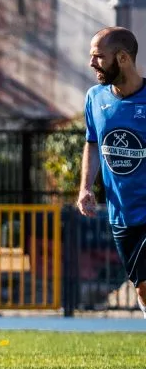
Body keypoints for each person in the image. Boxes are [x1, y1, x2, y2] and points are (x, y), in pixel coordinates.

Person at [78, 26, 146, 319]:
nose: (92, 63)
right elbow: (92, 144)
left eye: (98, 57)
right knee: (143, 288)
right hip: (122, 214)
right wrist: (85, 187)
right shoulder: (95, 98)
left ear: (122, 58)